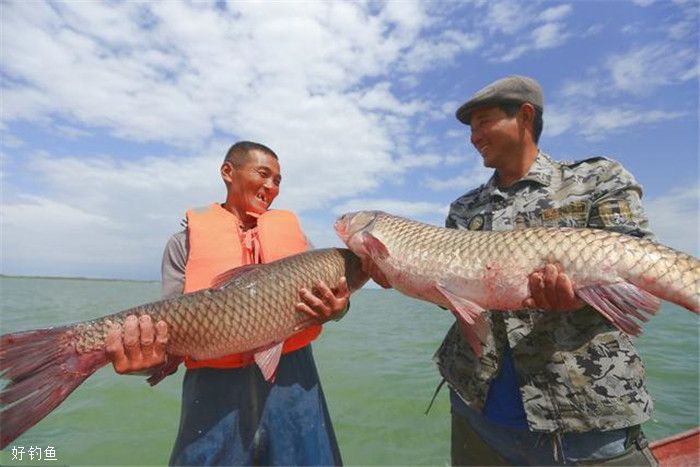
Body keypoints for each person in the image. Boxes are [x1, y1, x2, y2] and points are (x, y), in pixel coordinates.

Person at [369, 76, 659, 465]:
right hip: (477, 407)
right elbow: (460, 297)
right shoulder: (464, 208)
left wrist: (576, 299)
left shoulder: (596, 179)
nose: (474, 137)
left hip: (581, 416)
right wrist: (402, 274)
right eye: (471, 129)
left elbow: (639, 269)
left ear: (525, 116)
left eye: (483, 122)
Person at [104, 141, 348, 466]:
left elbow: (338, 300)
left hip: (294, 389)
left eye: (278, 181)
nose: (271, 187)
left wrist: (338, 310)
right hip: (213, 398)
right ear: (227, 172)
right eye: (264, 174)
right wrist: (147, 361)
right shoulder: (183, 245)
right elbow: (170, 336)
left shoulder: (301, 246)